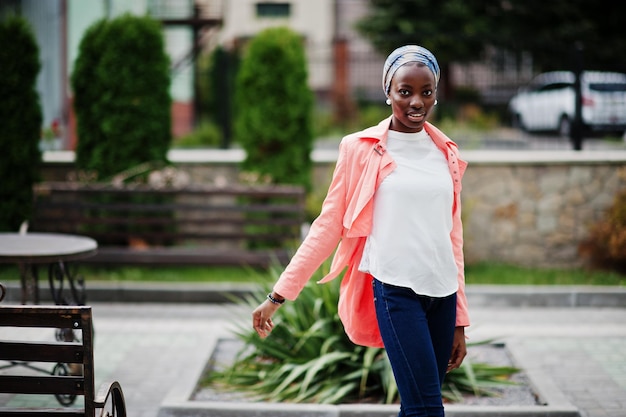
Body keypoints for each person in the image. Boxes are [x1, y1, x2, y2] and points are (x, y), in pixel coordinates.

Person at [252, 45, 469, 417]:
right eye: (405, 92)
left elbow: (453, 237)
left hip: (442, 295)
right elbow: (329, 224)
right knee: (427, 410)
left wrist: (460, 320)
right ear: (388, 92)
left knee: (417, 407)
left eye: (427, 92)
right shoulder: (359, 148)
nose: (417, 102)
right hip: (395, 291)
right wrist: (278, 295)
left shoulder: (445, 151)